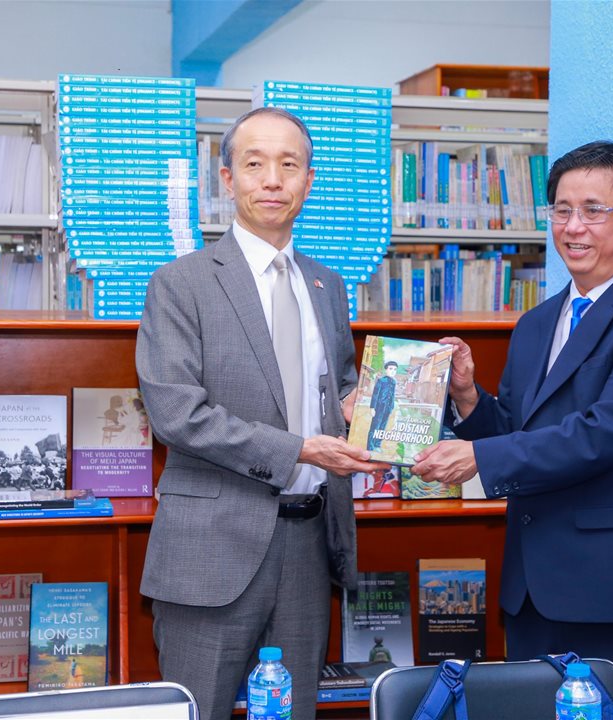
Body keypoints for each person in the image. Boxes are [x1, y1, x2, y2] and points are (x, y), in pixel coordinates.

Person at [411, 140, 613, 720]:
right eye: (562, 210)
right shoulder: (536, 322)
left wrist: (480, 459)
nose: (574, 227)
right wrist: (468, 396)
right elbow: (517, 429)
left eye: (594, 210)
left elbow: (600, 435)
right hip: (533, 594)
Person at [135, 107, 386, 720]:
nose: (272, 179)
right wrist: (299, 449)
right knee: (200, 710)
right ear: (227, 178)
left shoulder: (327, 286)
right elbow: (177, 413)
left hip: (308, 543)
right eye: (254, 164)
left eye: (289, 164)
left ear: (309, 180)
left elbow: (337, 387)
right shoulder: (180, 283)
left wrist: (366, 408)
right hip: (211, 548)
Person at [366, 360, 398, 452]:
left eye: (394, 369)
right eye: (390, 369)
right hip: (379, 407)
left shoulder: (393, 382)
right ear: (386, 370)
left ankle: (377, 444)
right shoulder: (381, 381)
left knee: (382, 427)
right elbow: (375, 394)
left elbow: (392, 395)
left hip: (388, 408)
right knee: (375, 426)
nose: (392, 371)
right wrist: (372, 407)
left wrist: (391, 406)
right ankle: (370, 446)